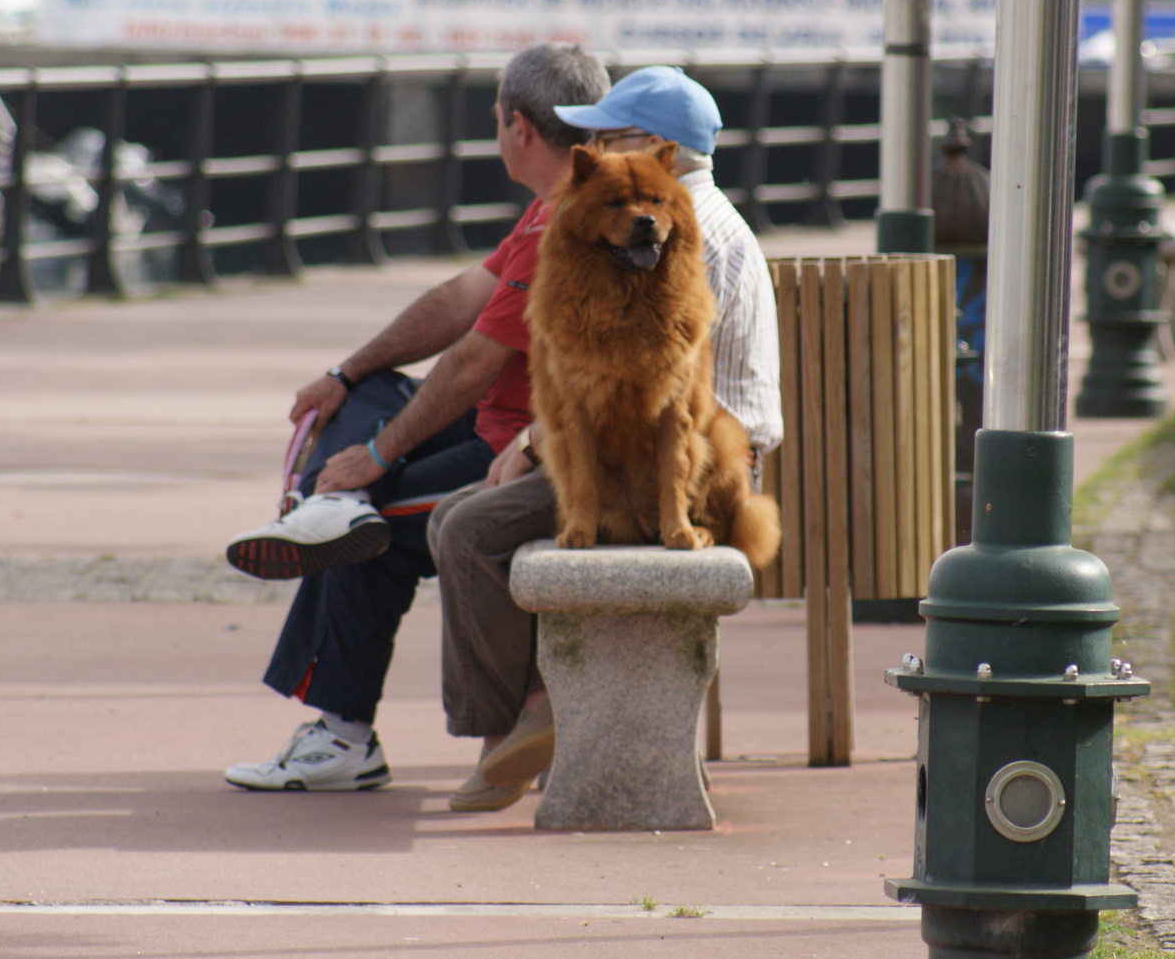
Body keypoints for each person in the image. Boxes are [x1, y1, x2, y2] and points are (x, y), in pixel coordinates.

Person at [218, 44, 611, 792]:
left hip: (525, 455)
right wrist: (346, 373)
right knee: (367, 400)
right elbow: (458, 301)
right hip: (495, 428)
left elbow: (473, 361)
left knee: (360, 534)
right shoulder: (549, 206)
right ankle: (325, 500)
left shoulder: (571, 220)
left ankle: (341, 736)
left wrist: (376, 455)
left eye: (496, 122)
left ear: (519, 127)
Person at [428, 66, 783, 812]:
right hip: (636, 450)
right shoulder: (689, 220)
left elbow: (671, 403)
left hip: (688, 470)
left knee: (467, 532)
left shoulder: (686, 236)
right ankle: (541, 702)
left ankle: (516, 730)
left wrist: (529, 445)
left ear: (653, 147)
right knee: (447, 518)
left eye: (603, 136)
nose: (586, 148)